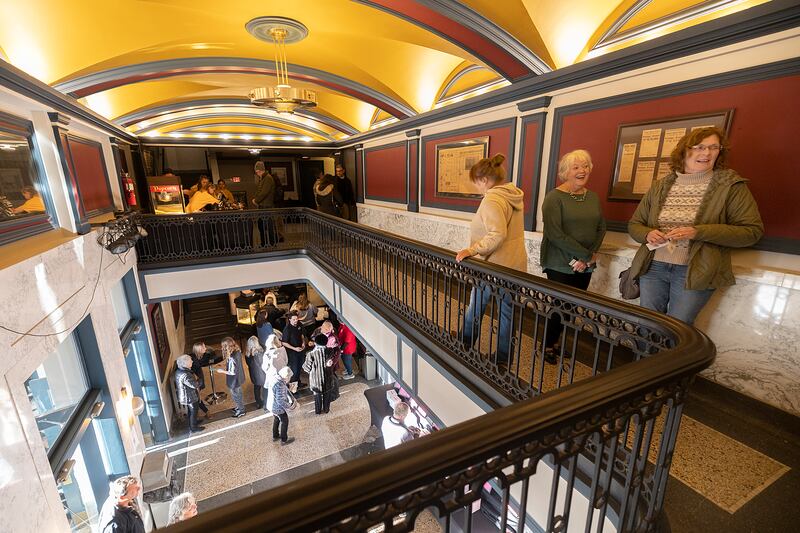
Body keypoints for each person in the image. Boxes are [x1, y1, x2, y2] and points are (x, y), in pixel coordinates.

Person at [628, 126, 763, 325]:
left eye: (713, 147)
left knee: (678, 329)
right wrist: (648, 234)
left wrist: (698, 232)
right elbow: (635, 224)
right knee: (647, 324)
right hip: (653, 267)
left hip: (696, 270)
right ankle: (645, 358)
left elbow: (751, 232)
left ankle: (672, 358)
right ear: (684, 150)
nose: (706, 153)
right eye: (699, 147)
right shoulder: (661, 185)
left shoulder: (731, 186)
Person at [455, 154, 527, 366]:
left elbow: (497, 234)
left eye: (476, 182)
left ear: (484, 180)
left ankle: (464, 343)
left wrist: (472, 250)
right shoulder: (511, 195)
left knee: (476, 306)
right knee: (507, 314)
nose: (476, 186)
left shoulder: (492, 200)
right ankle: (503, 358)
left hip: (493, 266)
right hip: (513, 266)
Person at [540, 149, 606, 362]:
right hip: (559, 263)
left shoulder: (592, 197)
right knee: (559, 306)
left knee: (572, 307)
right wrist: (585, 255)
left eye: (585, 166)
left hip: (585, 263)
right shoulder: (554, 198)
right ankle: (547, 345)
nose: (582, 170)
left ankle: (557, 342)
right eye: (576, 167)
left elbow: (601, 227)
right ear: (565, 172)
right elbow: (555, 234)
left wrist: (587, 258)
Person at [303, 334, 336, 414]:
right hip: (328, 378)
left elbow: (306, 368)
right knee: (327, 395)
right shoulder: (330, 351)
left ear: (316, 343)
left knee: (317, 397)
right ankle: (326, 409)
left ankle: (318, 411)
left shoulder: (310, 354)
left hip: (316, 381)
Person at [215, 337, 246, 418]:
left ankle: (241, 410)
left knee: (236, 395)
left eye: (223, 346)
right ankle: (239, 407)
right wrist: (224, 365)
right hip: (239, 377)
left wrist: (221, 371)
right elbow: (235, 365)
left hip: (234, 380)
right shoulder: (237, 351)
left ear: (226, 347)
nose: (222, 348)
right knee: (239, 393)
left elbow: (232, 372)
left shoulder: (232, 357)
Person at [175, 355, 206, 432]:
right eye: (190, 361)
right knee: (193, 411)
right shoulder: (185, 374)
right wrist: (200, 380)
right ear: (185, 363)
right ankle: (193, 427)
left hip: (187, 395)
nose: (192, 361)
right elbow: (194, 385)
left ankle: (193, 422)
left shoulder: (180, 370)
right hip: (189, 396)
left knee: (191, 411)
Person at [267, 366, 295, 445]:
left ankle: (275, 435)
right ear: (286, 377)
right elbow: (280, 400)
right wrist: (289, 406)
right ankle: (284, 440)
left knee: (276, 419)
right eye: (289, 377)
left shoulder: (274, 378)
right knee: (284, 421)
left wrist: (288, 387)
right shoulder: (280, 384)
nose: (289, 379)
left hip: (271, 405)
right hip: (277, 407)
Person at [252, 161, 277, 246]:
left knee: (269, 227)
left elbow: (264, 193)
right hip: (262, 206)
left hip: (267, 206)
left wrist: (256, 200)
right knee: (261, 226)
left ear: (261, 170)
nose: (257, 174)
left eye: (257, 172)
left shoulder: (268, 178)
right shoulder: (263, 178)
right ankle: (264, 243)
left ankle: (272, 244)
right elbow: (259, 191)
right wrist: (255, 198)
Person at [281, 312, 306, 391]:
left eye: (297, 319)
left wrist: (303, 342)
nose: (296, 321)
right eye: (294, 319)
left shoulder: (299, 324)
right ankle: (293, 388)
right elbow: (284, 342)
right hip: (292, 353)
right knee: (294, 370)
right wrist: (294, 348)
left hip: (300, 350)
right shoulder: (287, 329)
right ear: (289, 320)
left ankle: (298, 383)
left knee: (299, 367)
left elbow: (302, 334)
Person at [244, 336, 267, 409]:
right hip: (262, 373)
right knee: (265, 388)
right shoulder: (261, 351)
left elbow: (248, 364)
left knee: (256, 388)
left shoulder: (247, 354)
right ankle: (266, 403)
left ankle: (259, 403)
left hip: (254, 374)